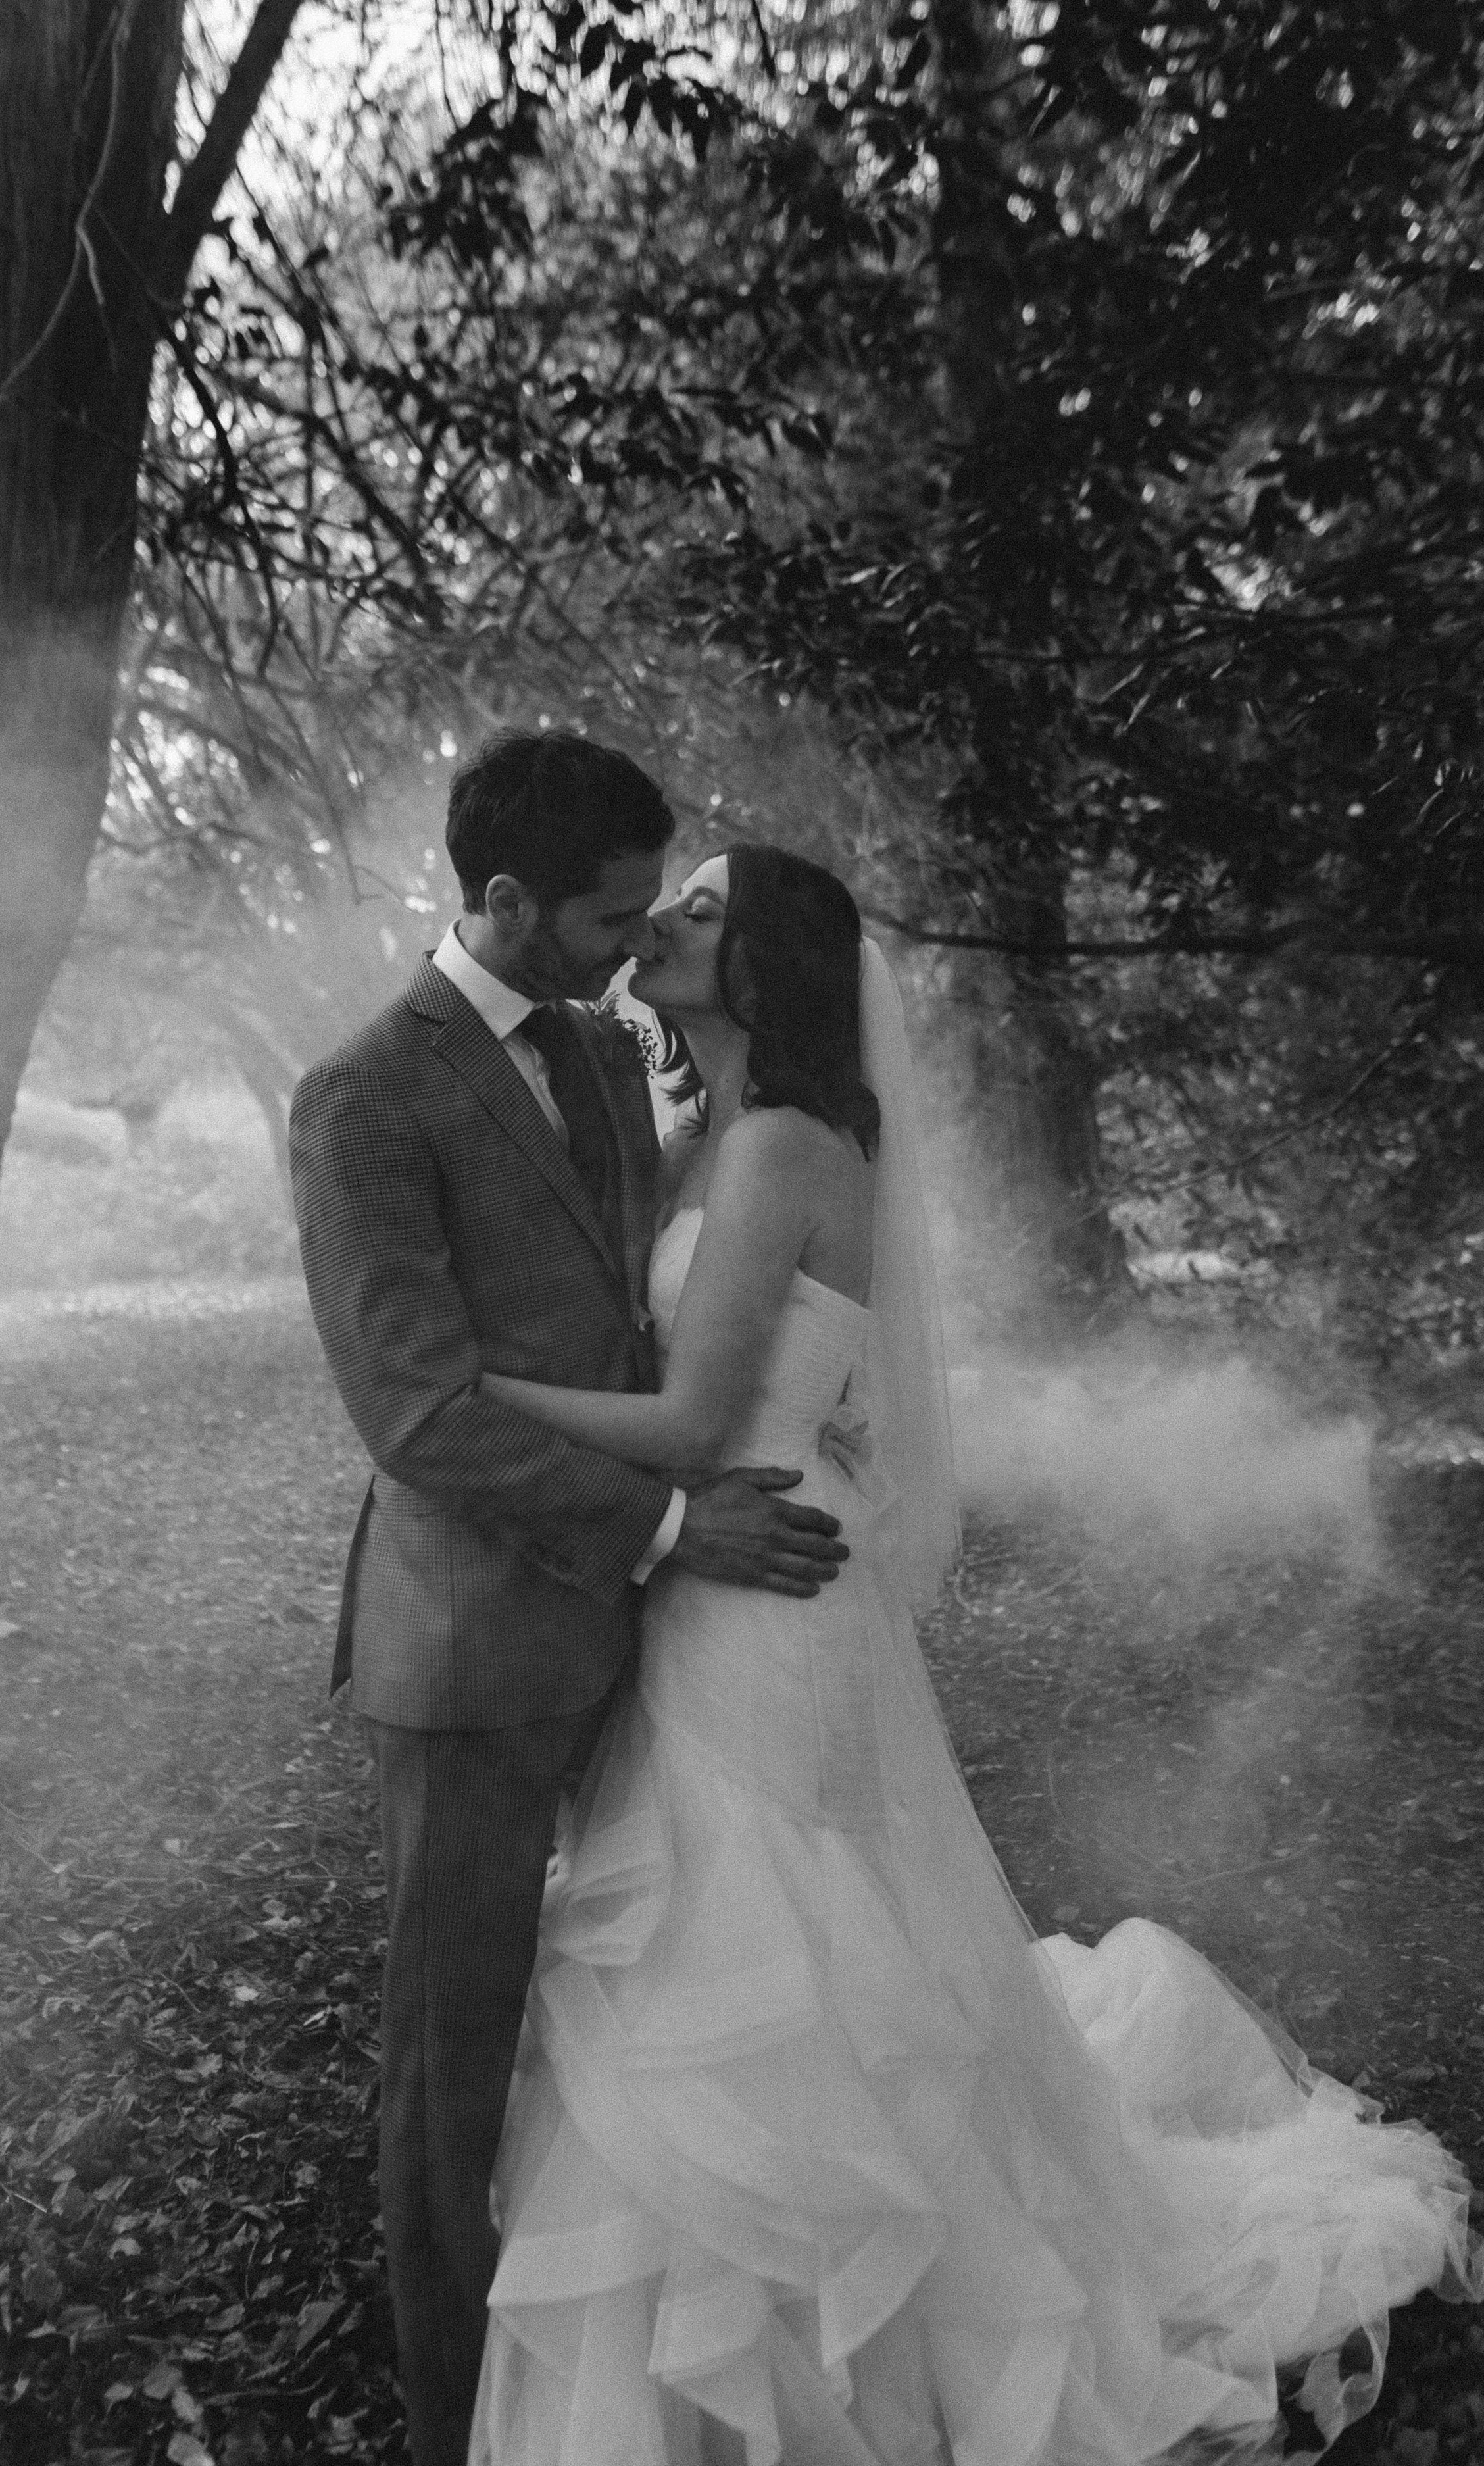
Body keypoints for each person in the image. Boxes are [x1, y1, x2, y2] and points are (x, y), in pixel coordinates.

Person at [466, 843, 1482, 2465]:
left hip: (759, 1579)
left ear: (774, 963)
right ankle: (760, 2334)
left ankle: (851, 2344)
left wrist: (451, 1399)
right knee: (730, 1933)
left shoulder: (791, 1143)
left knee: (780, 1947)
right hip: (714, 1563)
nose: (662, 922)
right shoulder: (695, 1130)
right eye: (668, 904)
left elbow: (690, 1416)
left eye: (705, 911)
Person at [288, 734, 850, 2466]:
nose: (629, 942)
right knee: (451, 2059)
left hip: (644, 1647)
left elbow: (675, 1288)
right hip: (464, 1651)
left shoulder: (617, 1054)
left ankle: (625, 2378)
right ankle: (461, 2420)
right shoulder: (364, 1099)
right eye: (607, 914)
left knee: (632, 2018)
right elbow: (415, 1414)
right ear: (503, 898)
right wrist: (676, 1522)